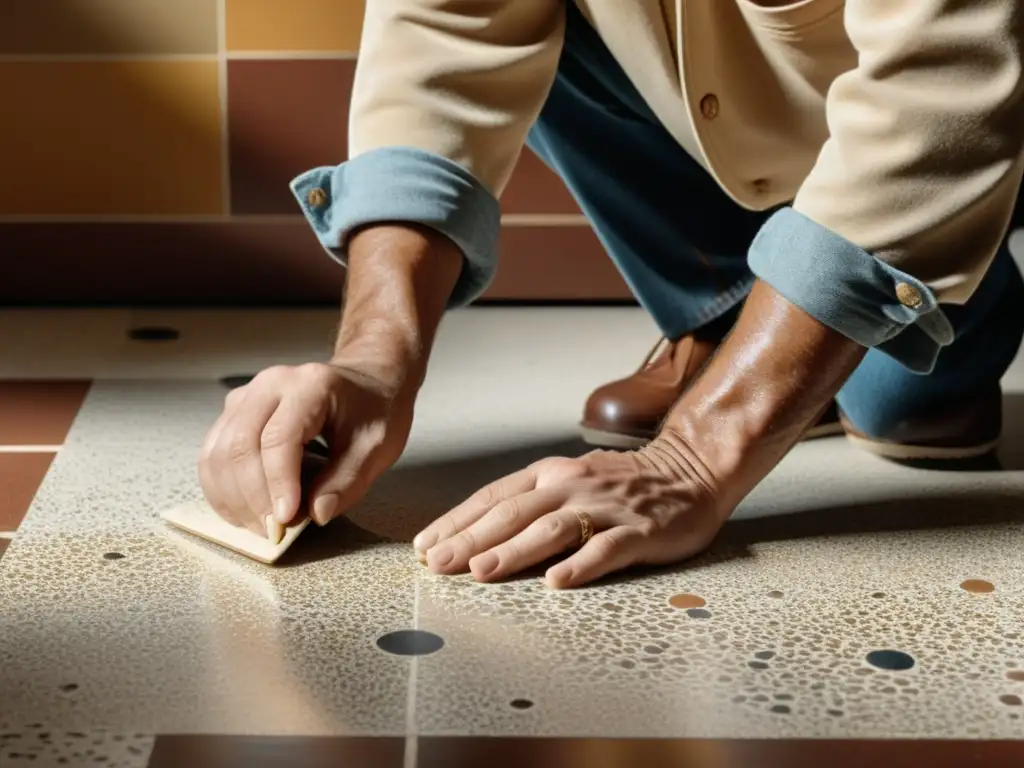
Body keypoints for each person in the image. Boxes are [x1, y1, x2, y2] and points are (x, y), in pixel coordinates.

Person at [199, 0, 1024, 589]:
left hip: (952, 125)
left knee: (901, 398)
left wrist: (695, 454)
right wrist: (375, 359)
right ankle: (744, 317)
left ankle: (954, 305)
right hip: (774, 117)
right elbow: (447, 26)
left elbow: (938, 94)